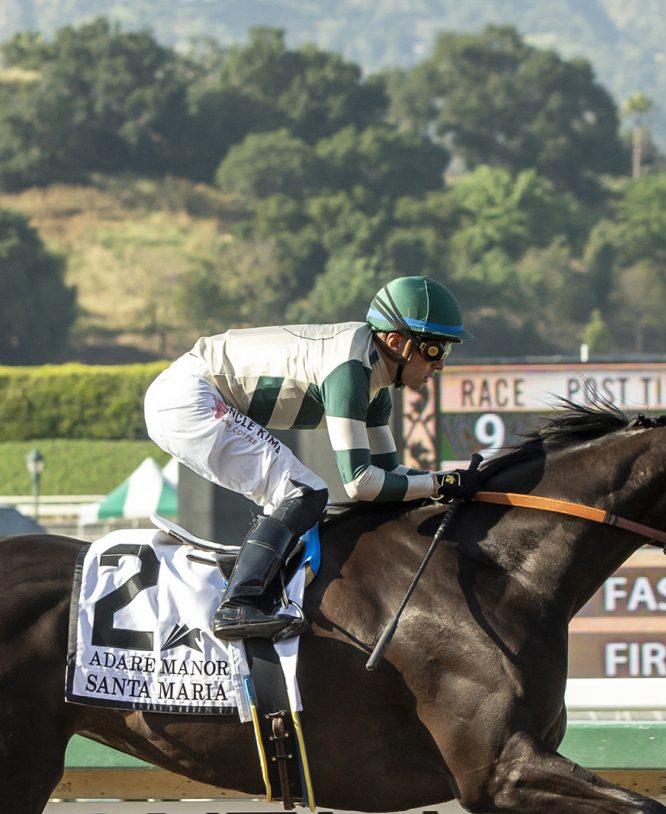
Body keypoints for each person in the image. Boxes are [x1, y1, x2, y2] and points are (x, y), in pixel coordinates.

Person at [144, 275, 482, 641]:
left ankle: (253, 578)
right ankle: (238, 605)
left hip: (188, 394)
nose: (441, 364)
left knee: (297, 495)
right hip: (189, 397)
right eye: (435, 350)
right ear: (396, 342)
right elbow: (360, 483)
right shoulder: (350, 370)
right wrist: (439, 482)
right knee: (305, 492)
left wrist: (444, 484)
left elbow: (389, 473)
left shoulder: (376, 382)